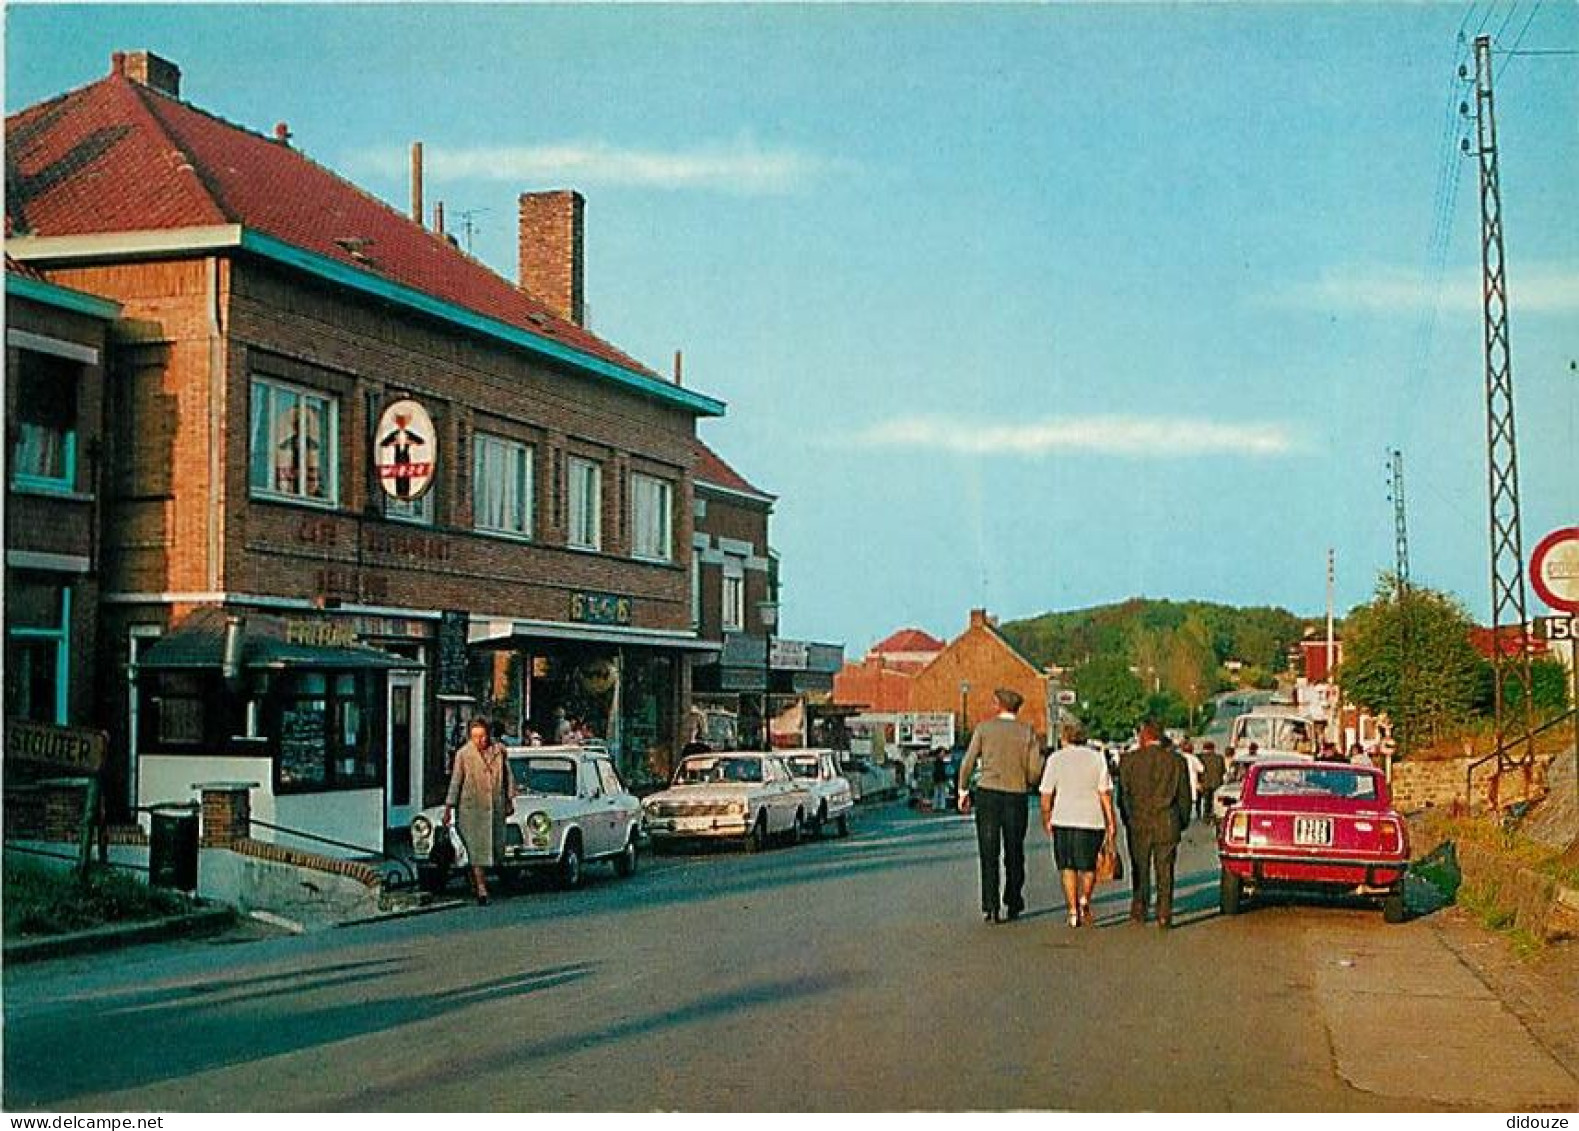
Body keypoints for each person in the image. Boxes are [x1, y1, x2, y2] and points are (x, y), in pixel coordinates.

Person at [958, 688, 1045, 923]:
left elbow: (967, 763)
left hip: (988, 793)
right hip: (1015, 794)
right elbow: (1036, 769)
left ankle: (991, 905)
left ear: (999, 705)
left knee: (989, 851)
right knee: (1014, 850)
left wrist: (963, 790)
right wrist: (1028, 780)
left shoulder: (984, 729)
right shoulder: (1027, 732)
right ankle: (1013, 899)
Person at [1039, 721, 1117, 927]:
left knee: (1067, 866)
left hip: (1063, 817)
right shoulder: (1097, 758)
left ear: (1064, 737)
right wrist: (1111, 821)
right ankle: (1085, 900)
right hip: (1091, 819)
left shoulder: (1055, 759)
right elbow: (1104, 793)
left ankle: (1072, 910)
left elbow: (1046, 793)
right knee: (1089, 865)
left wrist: (1047, 817)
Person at [1118, 718, 1193, 930]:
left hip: (1139, 821)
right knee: (1165, 869)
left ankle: (1140, 906)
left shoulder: (1129, 761)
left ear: (1144, 735)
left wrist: (1128, 818)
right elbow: (1184, 796)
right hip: (1167, 820)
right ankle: (1164, 912)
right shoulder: (1177, 762)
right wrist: (1182, 821)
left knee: (1139, 866)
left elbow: (1123, 796)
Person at [444, 718, 518, 905]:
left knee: (494, 849)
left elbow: (508, 776)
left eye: (483, 736)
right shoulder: (463, 754)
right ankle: (481, 888)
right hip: (471, 810)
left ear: (489, 734)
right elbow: (456, 781)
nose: (480, 740)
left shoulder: (499, 752)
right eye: (475, 736)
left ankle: (475, 879)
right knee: (475, 849)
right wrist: (448, 807)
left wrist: (509, 799)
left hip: (494, 806)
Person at [1198, 740, 1226, 822]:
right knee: (1216, 802)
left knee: (1207, 802)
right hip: (1217, 783)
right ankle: (1215, 817)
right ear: (1213, 748)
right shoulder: (1219, 757)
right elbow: (1223, 770)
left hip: (1205, 783)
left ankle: (1206, 817)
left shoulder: (1200, 757)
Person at [1179, 740, 1204, 822]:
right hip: (1192, 781)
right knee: (1191, 799)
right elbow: (1202, 769)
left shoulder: (1178, 757)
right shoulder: (1193, 758)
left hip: (1180, 781)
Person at [931, 747, 952, 813]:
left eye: (943, 753)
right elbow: (938, 771)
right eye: (942, 753)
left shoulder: (940, 761)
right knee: (940, 793)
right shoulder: (938, 762)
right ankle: (940, 807)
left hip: (940, 779)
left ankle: (937, 806)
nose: (943, 754)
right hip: (939, 779)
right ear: (938, 754)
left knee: (939, 793)